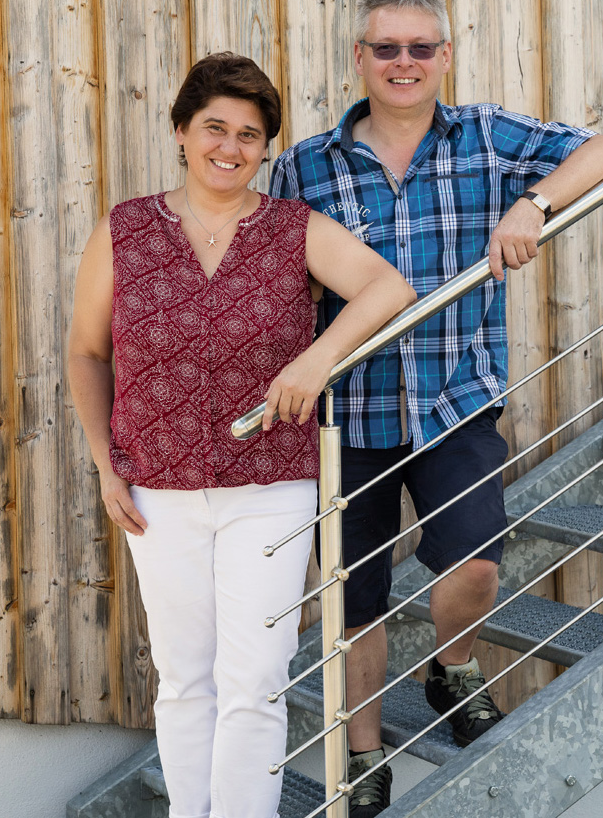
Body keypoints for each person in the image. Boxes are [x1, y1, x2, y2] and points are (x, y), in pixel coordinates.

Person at [270, 0, 603, 816]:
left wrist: (532, 203)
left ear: (444, 55)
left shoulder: (486, 136)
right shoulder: (304, 166)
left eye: (420, 47)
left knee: (471, 560)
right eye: (385, 48)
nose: (404, 62)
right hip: (348, 414)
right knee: (354, 597)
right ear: (359, 57)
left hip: (456, 398)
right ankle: (363, 757)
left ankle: (451, 665)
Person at [68, 52, 415, 818]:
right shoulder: (124, 230)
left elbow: (388, 287)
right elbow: (89, 351)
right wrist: (105, 464)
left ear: (266, 149)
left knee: (254, 680)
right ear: (183, 131)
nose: (230, 147)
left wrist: (317, 358)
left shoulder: (293, 230)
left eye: (250, 135)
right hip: (154, 490)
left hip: (272, 488)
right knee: (186, 679)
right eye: (215, 128)